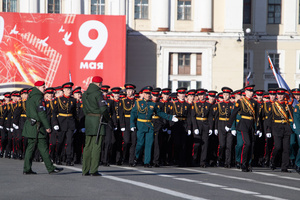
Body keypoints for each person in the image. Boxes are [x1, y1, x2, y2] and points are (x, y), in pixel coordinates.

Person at [130, 86, 178, 168]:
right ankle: (136, 157)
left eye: (149, 93)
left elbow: (160, 113)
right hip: (140, 125)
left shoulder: (153, 104)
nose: (148, 95)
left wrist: (170, 117)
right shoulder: (138, 103)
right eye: (147, 93)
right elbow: (133, 114)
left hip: (149, 126)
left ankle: (147, 162)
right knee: (140, 144)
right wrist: (132, 125)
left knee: (149, 144)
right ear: (143, 94)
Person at [22, 81, 63, 174]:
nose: (45, 88)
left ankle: (27, 168)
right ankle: (50, 168)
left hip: (30, 125)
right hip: (37, 127)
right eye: (43, 87)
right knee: (42, 148)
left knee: (31, 148)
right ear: (38, 87)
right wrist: (47, 126)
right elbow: (41, 113)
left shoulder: (30, 96)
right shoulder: (39, 98)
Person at [82, 76, 109, 176]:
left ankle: (85, 170)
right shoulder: (98, 93)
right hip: (98, 120)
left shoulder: (85, 94)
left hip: (88, 120)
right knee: (96, 145)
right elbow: (103, 109)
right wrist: (107, 118)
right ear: (99, 84)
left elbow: (84, 109)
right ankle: (94, 170)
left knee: (87, 146)